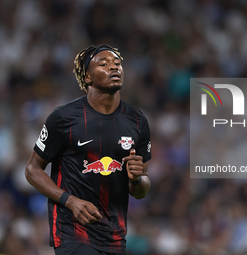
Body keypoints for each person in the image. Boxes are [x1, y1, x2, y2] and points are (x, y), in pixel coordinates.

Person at [25, 44, 152, 255]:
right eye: (104, 64)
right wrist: (70, 201)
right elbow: (32, 170)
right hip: (72, 231)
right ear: (87, 77)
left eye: (118, 64)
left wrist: (138, 178)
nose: (114, 68)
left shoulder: (138, 121)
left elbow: (140, 190)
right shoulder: (63, 118)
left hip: (114, 236)